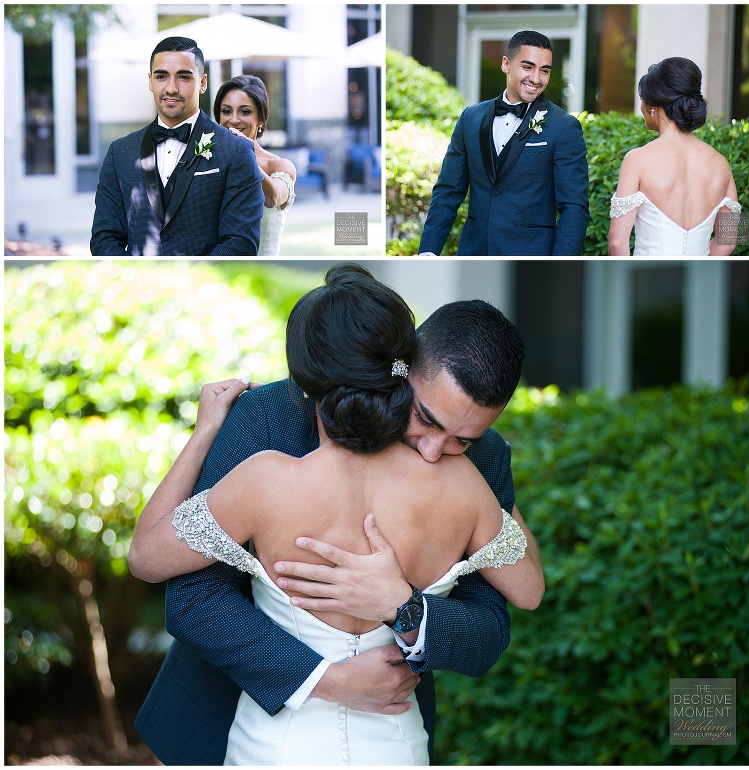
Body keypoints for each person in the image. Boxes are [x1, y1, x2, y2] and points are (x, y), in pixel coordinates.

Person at [129, 264, 542, 764]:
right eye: (425, 419)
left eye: (464, 440)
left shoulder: (483, 462)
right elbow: (196, 597)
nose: (435, 451)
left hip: (387, 716)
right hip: (238, 706)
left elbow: (490, 626)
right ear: (402, 365)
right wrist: (324, 679)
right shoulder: (265, 419)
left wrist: (406, 607)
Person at [418, 30, 589, 256]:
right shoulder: (470, 118)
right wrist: (428, 252)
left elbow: (574, 208)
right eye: (527, 67)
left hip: (531, 258)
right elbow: (448, 190)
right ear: (506, 64)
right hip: (473, 254)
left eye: (544, 70)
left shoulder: (564, 127)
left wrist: (560, 266)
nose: (536, 78)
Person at [90, 36, 264, 256]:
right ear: (150, 81)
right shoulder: (119, 153)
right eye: (161, 76)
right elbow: (104, 239)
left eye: (183, 77)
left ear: (202, 83)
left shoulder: (236, 151)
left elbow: (241, 242)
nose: (171, 88)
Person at [608, 57, 741, 256]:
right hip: (699, 275)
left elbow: (617, 243)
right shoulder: (721, 163)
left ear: (653, 105)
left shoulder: (637, 160)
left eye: (643, 98)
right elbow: (730, 242)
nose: (641, 106)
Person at [214, 76, 297, 257]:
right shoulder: (211, 162)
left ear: (261, 118)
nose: (234, 120)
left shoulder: (279, 165)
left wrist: (245, 156)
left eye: (244, 112)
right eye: (226, 111)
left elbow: (273, 198)